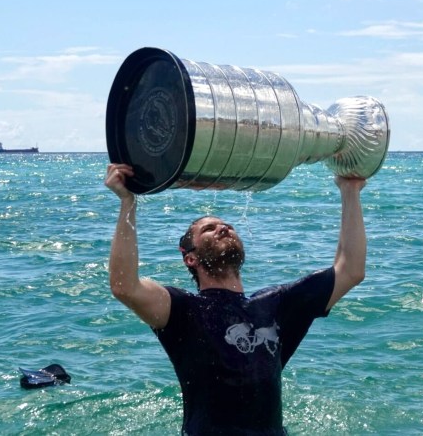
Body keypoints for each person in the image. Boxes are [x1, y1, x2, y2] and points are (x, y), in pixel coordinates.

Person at [105, 163, 367, 435]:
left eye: (226, 225)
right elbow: (125, 286)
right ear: (190, 258)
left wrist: (350, 190)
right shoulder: (182, 311)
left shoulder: (276, 305)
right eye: (209, 229)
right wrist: (128, 202)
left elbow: (350, 270)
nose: (223, 228)